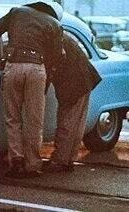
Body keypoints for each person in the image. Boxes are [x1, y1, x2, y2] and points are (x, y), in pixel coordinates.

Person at [0, 1, 64, 178]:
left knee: (13, 117)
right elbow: (58, 56)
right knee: (34, 121)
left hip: (13, 65)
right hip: (37, 69)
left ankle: (17, 162)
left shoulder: (17, 12)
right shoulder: (54, 24)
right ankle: (33, 165)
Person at [44, 33, 102, 172]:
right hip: (86, 79)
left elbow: (49, 68)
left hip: (73, 84)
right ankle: (69, 159)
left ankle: (59, 160)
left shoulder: (48, 40)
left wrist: (42, 91)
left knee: (66, 122)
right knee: (77, 124)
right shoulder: (59, 35)